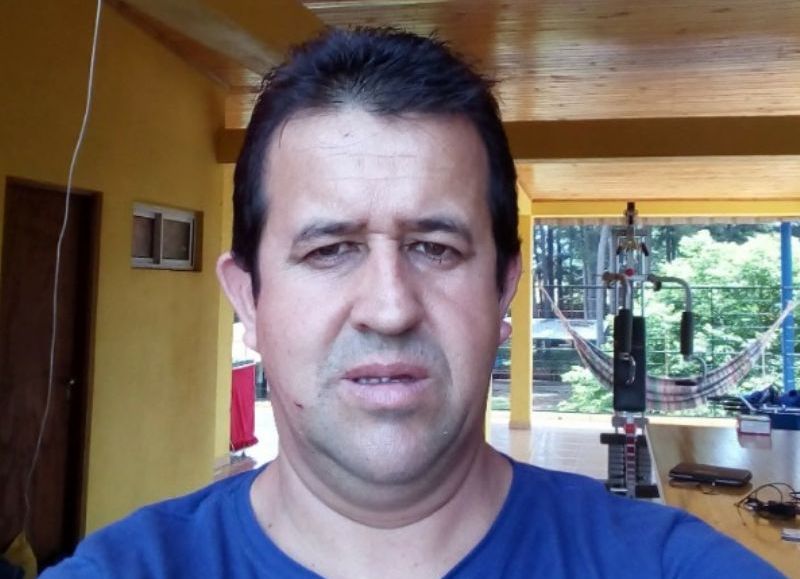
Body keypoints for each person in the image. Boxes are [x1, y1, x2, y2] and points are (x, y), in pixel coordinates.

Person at [44, 27, 780, 579]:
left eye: (435, 247)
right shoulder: (127, 569)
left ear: (503, 289)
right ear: (248, 299)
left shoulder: (664, 565)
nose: (390, 308)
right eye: (330, 249)